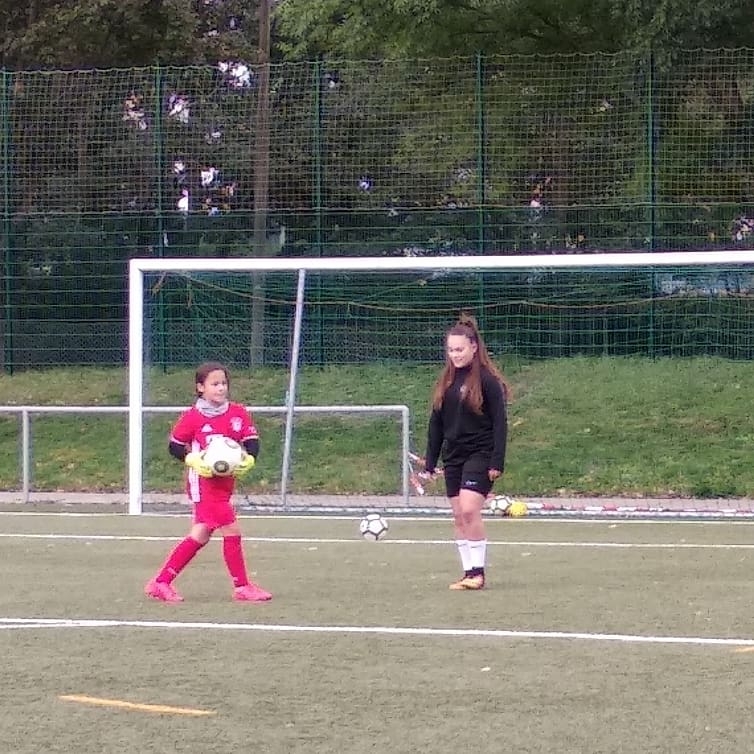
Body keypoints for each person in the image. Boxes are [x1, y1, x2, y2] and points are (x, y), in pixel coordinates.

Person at [144, 361, 272, 603]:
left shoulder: (238, 412)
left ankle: (161, 582)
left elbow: (251, 440)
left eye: (223, 383)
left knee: (200, 534)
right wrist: (192, 459)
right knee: (231, 529)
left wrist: (250, 458)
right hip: (203, 484)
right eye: (214, 384)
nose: (221, 388)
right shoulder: (192, 417)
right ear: (200, 387)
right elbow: (174, 446)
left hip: (225, 485)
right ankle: (242, 586)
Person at [423, 313, 508, 591]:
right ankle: (468, 572)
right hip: (454, 456)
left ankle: (478, 574)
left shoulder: (488, 381)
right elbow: (436, 423)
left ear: (473, 347)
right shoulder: (446, 381)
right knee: (459, 515)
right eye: (451, 350)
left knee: (470, 509)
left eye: (459, 349)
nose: (455, 355)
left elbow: (500, 423)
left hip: (480, 453)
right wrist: (430, 462)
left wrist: (497, 460)